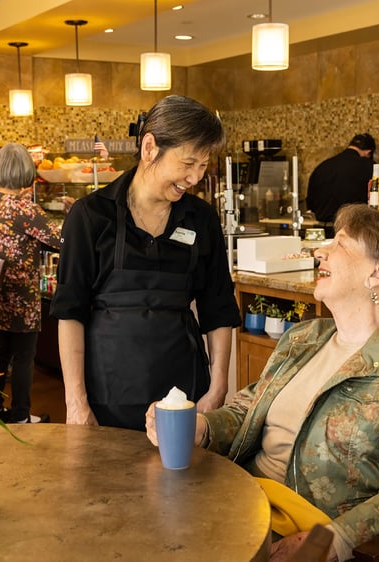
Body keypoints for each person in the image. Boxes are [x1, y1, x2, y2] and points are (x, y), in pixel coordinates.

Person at [146, 205, 379, 562]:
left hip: (311, 530)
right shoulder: (304, 338)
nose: (319, 251)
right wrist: (200, 427)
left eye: (340, 243)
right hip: (246, 502)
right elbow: (248, 409)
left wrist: (334, 539)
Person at [51, 95, 241, 431]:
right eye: (188, 163)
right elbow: (70, 313)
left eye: (203, 166)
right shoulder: (91, 216)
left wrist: (218, 388)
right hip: (106, 394)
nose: (195, 178)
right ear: (150, 147)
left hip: (184, 393)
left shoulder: (201, 219)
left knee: (185, 483)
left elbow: (218, 306)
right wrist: (75, 403)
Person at [0, 143, 62, 424]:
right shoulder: (25, 208)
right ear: (27, 170)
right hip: (22, 294)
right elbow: (59, 239)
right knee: (25, 357)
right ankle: (21, 414)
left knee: (0, 353)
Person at [305, 133, 376, 232]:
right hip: (354, 230)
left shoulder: (323, 166)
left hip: (321, 230)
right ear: (368, 152)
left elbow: (310, 202)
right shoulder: (370, 167)